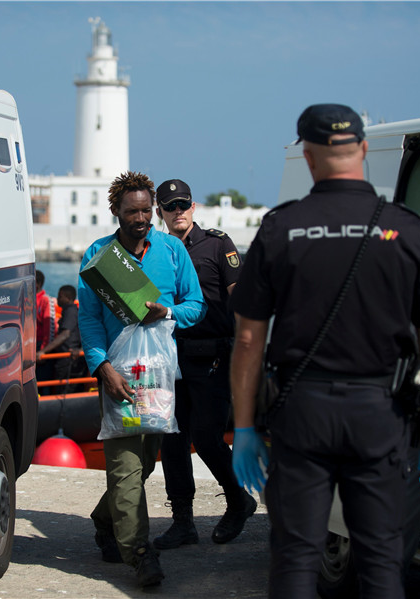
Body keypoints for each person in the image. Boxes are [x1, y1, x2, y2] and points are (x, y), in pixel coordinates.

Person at [228, 104, 420, 599]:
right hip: (380, 414)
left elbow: (248, 340)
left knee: (296, 558)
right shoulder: (406, 228)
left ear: (309, 158)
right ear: (364, 150)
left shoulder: (281, 228)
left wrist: (244, 428)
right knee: (381, 561)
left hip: (301, 411)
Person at [78, 170, 206, 587]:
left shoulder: (171, 250)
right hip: (117, 374)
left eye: (146, 211)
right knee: (125, 463)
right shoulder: (99, 254)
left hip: (159, 375)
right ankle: (139, 553)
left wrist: (167, 312)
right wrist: (102, 368)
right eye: (131, 212)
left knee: (144, 462)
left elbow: (196, 304)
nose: (141, 218)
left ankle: (106, 519)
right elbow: (89, 318)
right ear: (115, 211)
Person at [151, 178, 256, 550]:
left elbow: (239, 298)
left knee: (208, 438)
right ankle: (183, 523)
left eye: (183, 204)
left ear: (193, 207)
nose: (177, 211)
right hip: (169, 357)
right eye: (170, 206)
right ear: (160, 212)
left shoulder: (217, 244)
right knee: (172, 440)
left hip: (212, 357)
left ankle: (238, 499)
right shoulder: (156, 249)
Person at [37, 285, 86, 391]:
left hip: (68, 359)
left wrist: (43, 351)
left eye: (60, 296)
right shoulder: (70, 311)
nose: (58, 299)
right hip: (66, 358)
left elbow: (65, 334)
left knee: (64, 389)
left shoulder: (70, 311)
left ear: (67, 298)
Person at [35, 270, 57, 381]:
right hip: (30, 345)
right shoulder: (27, 299)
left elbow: (50, 329)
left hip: (40, 346)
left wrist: (44, 350)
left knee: (42, 379)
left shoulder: (45, 300)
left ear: (37, 284)